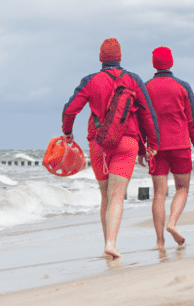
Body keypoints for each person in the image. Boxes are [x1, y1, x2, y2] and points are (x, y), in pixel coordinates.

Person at [62, 38, 159, 259]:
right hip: (127, 143)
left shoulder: (90, 81)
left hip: (99, 144)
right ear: (120, 57)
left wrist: (67, 132)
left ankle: (108, 244)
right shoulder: (133, 80)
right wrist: (152, 144)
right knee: (117, 195)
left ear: (101, 58)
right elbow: (147, 113)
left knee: (105, 196)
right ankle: (112, 243)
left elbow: (70, 110)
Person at [145, 46, 194, 249]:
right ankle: (172, 223)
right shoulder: (183, 87)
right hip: (180, 146)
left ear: (154, 63)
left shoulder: (146, 88)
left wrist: (142, 147)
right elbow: (192, 121)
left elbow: (142, 120)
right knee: (182, 188)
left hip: (156, 148)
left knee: (159, 194)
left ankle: (160, 242)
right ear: (170, 62)